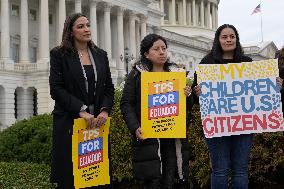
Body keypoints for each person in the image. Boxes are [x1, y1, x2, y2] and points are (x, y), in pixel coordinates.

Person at [49, 13, 114, 188]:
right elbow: (56, 88)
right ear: (71, 32)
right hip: (70, 122)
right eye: (80, 26)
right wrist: (80, 109)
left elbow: (109, 87)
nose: (86, 29)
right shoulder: (59, 55)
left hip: (97, 125)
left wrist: (105, 110)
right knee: (71, 178)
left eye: (88, 25)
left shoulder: (101, 55)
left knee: (96, 176)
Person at [120, 33, 193, 189]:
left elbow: (187, 108)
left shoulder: (176, 75)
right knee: (153, 182)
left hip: (172, 139)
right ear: (146, 53)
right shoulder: (137, 75)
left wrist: (187, 95)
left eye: (164, 48)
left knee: (170, 180)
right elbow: (126, 104)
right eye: (156, 49)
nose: (162, 52)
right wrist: (135, 127)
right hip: (149, 138)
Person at [192, 24, 253, 189]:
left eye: (232, 36)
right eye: (224, 37)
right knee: (220, 170)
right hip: (217, 125)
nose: (229, 40)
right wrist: (197, 92)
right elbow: (196, 98)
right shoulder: (207, 63)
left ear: (236, 39)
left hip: (243, 125)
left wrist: (275, 85)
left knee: (241, 170)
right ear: (218, 40)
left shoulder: (248, 63)